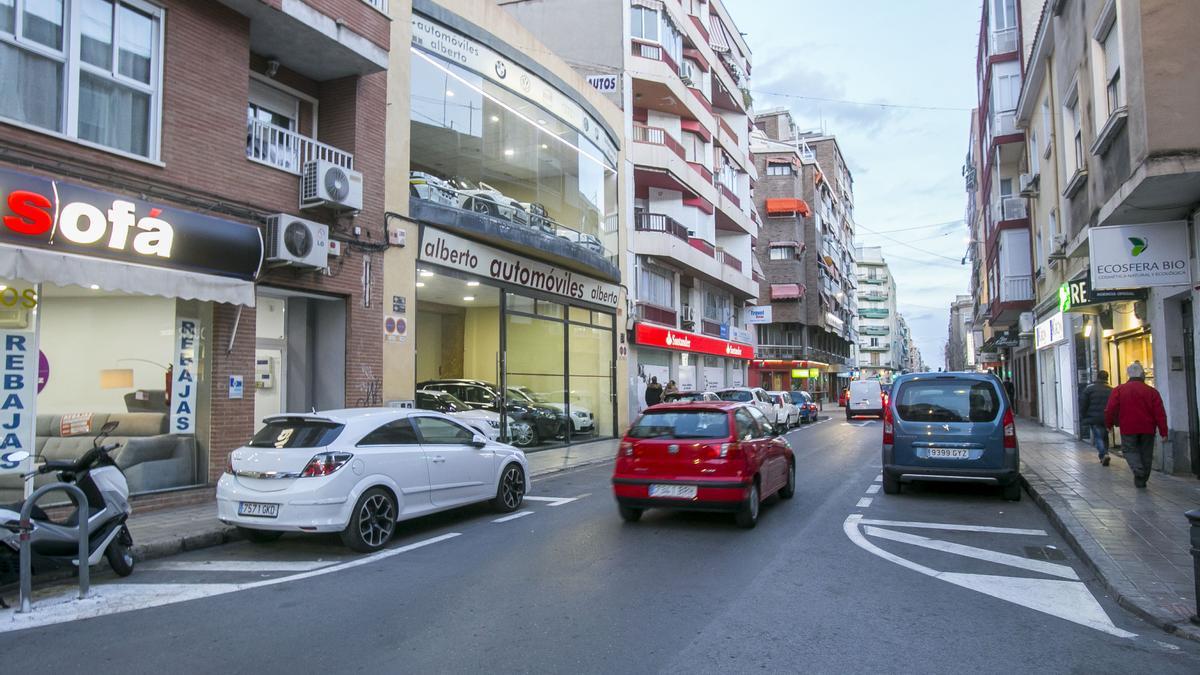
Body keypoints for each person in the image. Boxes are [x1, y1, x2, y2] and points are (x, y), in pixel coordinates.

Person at [1105, 361, 1168, 488]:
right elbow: (1160, 413)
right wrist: (1163, 432)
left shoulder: (1119, 390)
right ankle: (1141, 480)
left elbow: (1110, 409)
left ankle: (1138, 470)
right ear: (1142, 375)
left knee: (1129, 450)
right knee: (1146, 453)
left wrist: (1109, 424)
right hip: (1148, 428)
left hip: (1128, 426)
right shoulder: (1151, 391)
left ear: (1129, 375)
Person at [1079, 370, 1113, 465]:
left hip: (1093, 417)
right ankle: (1105, 453)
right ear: (1107, 378)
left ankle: (1103, 454)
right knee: (1105, 436)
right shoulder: (1111, 389)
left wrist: (1083, 415)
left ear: (1097, 377)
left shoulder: (1089, 389)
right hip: (1107, 417)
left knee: (1098, 436)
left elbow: (1083, 404)